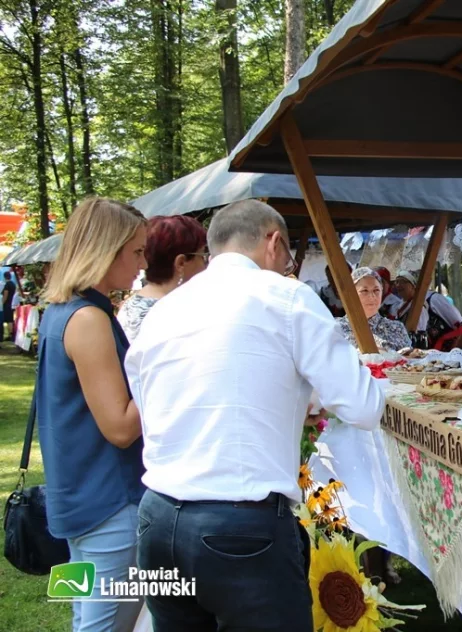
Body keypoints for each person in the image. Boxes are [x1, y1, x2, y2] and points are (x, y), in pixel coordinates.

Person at [126, 200, 385, 631]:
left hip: (157, 519)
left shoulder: (165, 309)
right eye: (288, 256)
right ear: (273, 242)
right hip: (239, 523)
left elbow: (157, 403)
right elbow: (363, 406)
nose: (288, 265)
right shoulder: (286, 296)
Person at [35, 198, 148, 632]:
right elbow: (120, 427)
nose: (141, 264)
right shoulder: (88, 317)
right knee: (102, 624)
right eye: (136, 251)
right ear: (107, 248)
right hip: (109, 503)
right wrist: (166, 371)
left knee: (86, 616)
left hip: (77, 498)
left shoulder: (64, 310)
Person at [116, 215, 207, 342]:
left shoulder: (131, 305)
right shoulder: (174, 316)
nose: (206, 264)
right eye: (202, 255)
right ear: (181, 263)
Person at [335, 266, 412, 351]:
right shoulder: (336, 328)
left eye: (376, 290)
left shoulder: (396, 329)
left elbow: (411, 361)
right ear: (352, 294)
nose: (372, 296)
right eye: (364, 291)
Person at [391, 270, 462, 343]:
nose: (398, 285)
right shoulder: (400, 305)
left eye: (403, 282)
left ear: (414, 285)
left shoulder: (433, 299)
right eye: (396, 282)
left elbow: (457, 321)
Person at [2, 271, 15, 341]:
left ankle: (10, 334)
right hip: (12, 303)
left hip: (7, 304)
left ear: (5, 277)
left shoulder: (7, 285)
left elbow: (5, 295)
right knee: (11, 319)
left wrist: (2, 303)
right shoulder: (13, 284)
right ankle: (11, 333)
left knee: (8, 319)